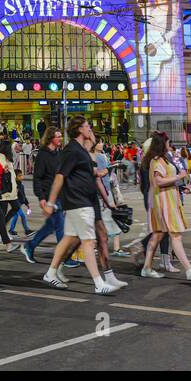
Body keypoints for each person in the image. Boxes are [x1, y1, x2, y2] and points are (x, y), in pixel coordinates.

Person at [40, 116, 120, 294]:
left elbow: (88, 171)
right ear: (79, 130)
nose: (89, 128)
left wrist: (99, 174)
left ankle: (51, 272)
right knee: (89, 242)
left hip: (82, 200)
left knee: (68, 237)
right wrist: (51, 202)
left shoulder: (81, 150)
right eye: (86, 126)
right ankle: (99, 283)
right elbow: (60, 176)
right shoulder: (72, 151)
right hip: (78, 201)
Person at [139, 131, 191, 281]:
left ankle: (146, 268)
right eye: (168, 142)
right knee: (175, 235)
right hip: (164, 201)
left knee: (157, 235)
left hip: (164, 199)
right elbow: (159, 181)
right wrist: (179, 176)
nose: (170, 145)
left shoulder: (159, 159)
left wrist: (179, 183)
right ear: (162, 144)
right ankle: (189, 269)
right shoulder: (157, 161)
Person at [21, 127, 65, 265]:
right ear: (51, 138)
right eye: (58, 136)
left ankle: (30, 246)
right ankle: (64, 258)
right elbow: (37, 178)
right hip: (49, 195)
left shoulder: (58, 154)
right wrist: (41, 198)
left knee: (52, 225)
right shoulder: (43, 155)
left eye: (61, 136)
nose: (60, 138)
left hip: (60, 195)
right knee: (60, 226)